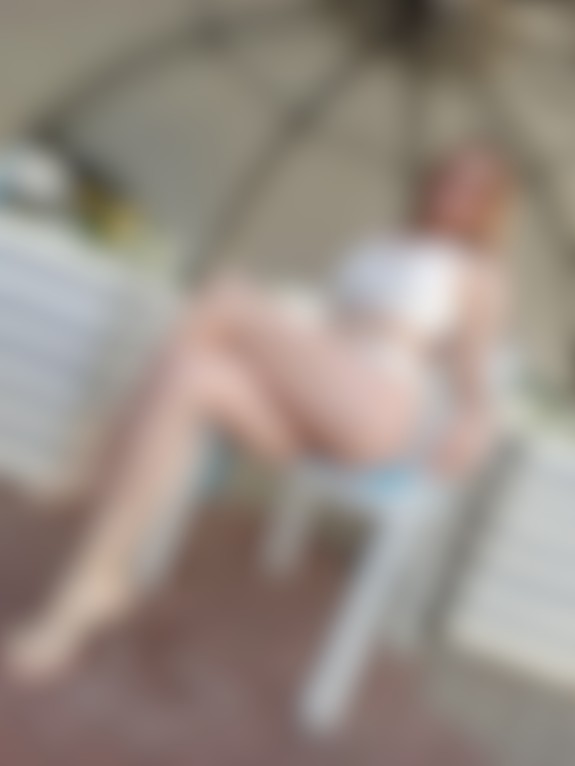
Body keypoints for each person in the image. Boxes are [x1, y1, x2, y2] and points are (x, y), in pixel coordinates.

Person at [7, 143, 514, 681]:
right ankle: (88, 586)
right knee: (189, 374)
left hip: (374, 405)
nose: (456, 192)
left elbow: (473, 376)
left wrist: (475, 421)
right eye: (450, 177)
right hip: (316, 392)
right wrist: (283, 341)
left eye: (474, 188)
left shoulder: (478, 273)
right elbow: (327, 327)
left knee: (226, 294)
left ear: (490, 207)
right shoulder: (381, 244)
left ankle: (90, 462)